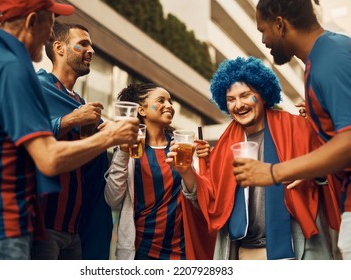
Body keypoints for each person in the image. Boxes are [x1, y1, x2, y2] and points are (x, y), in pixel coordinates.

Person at [0, 0, 138, 260]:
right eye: (51, 24)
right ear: (33, 21)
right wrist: (110, 136)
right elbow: (49, 158)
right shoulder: (11, 68)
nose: (50, 34)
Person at [171, 56, 339, 260]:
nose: (238, 104)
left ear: (263, 95)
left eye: (245, 95)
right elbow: (210, 200)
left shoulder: (298, 128)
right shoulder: (224, 145)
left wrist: (311, 171)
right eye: (231, 99)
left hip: (299, 248)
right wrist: (186, 171)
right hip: (245, 252)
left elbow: (332, 173)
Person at [233, 0, 351, 259]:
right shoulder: (323, 58)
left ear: (280, 24)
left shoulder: (329, 60)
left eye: (263, 30)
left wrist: (274, 172)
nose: (263, 40)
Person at [104, 83, 215, 260]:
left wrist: (201, 164)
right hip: (140, 251)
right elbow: (113, 199)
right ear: (141, 110)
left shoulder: (181, 147)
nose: (170, 106)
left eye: (170, 101)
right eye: (161, 100)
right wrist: (124, 152)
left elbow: (196, 198)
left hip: (181, 249)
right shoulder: (129, 148)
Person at [30, 22, 112, 260]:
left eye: (92, 45)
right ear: (60, 48)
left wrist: (93, 136)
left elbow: (82, 163)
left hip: (75, 231)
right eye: (83, 44)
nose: (91, 51)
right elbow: (22, 138)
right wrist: (70, 120)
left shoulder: (80, 102)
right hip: (42, 228)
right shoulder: (36, 87)